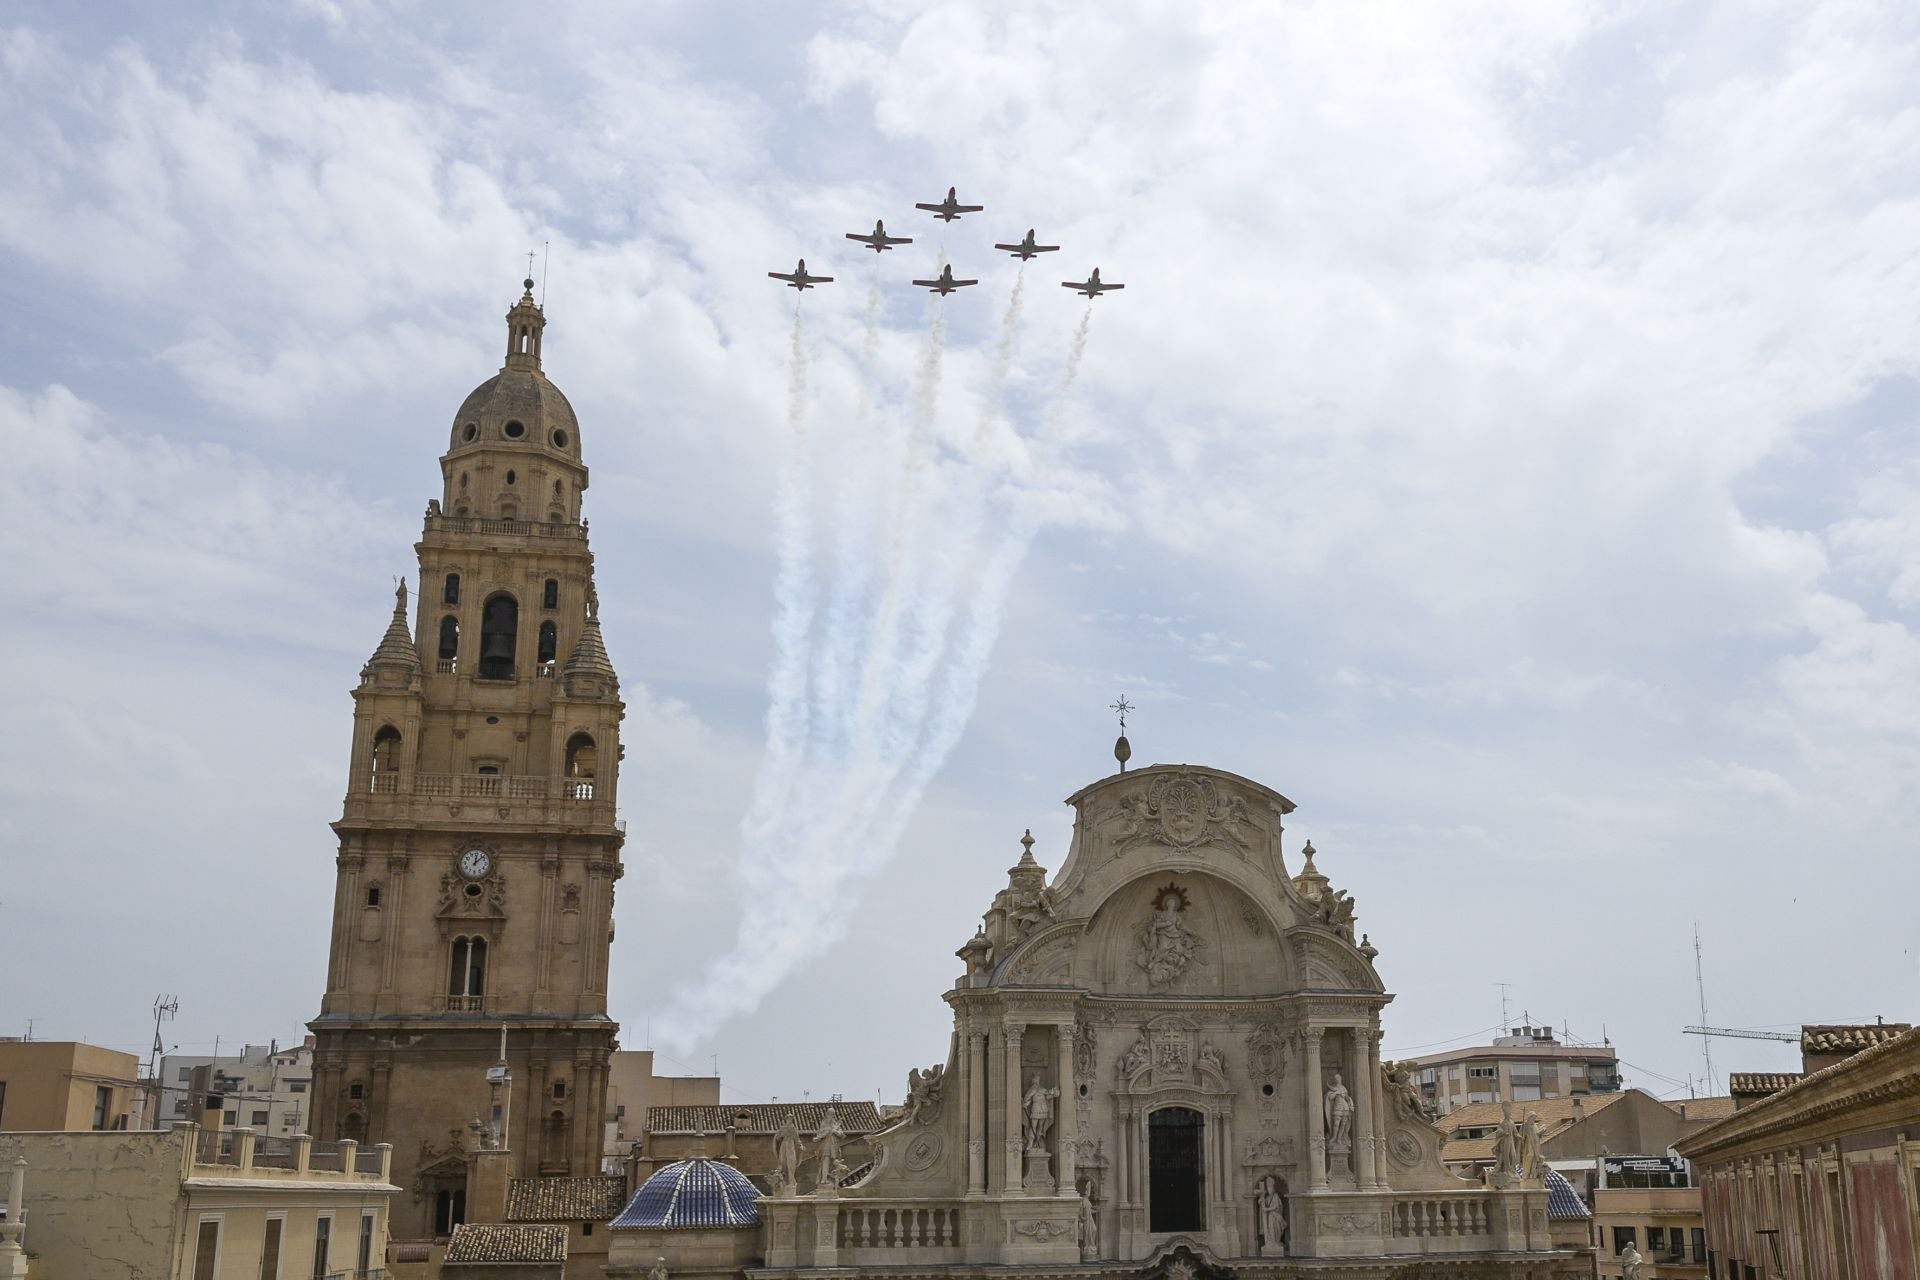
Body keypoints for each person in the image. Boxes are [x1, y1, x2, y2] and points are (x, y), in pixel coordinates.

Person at [1324, 1071, 1354, 1150]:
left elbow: (1347, 1098)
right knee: (1336, 1124)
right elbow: (1330, 1098)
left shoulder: (1344, 1088)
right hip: (1337, 1107)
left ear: (1340, 1079)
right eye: (1336, 1078)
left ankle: (1339, 1138)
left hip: (1345, 1107)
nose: (1337, 1079)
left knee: (1343, 1124)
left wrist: (1349, 1103)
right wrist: (1337, 1093)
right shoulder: (1333, 1088)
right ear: (1334, 1080)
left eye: (1338, 1078)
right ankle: (1334, 1137)